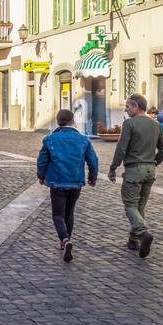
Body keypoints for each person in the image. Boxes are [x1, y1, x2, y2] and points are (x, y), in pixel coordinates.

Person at [108, 93, 163, 257]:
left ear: (136, 106)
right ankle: (133, 241)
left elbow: (121, 148)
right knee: (140, 205)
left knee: (130, 205)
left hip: (134, 170)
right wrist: (154, 162)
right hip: (150, 171)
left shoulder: (129, 123)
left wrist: (113, 168)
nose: (126, 109)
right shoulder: (156, 124)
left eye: (128, 106)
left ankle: (142, 233)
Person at [37, 108, 99, 262]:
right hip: (75, 183)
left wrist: (41, 176)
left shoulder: (49, 139)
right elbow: (93, 161)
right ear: (73, 121)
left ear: (58, 122)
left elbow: (42, 161)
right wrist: (92, 177)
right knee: (69, 213)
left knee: (58, 215)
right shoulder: (84, 140)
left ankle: (64, 240)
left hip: (57, 183)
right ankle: (66, 241)